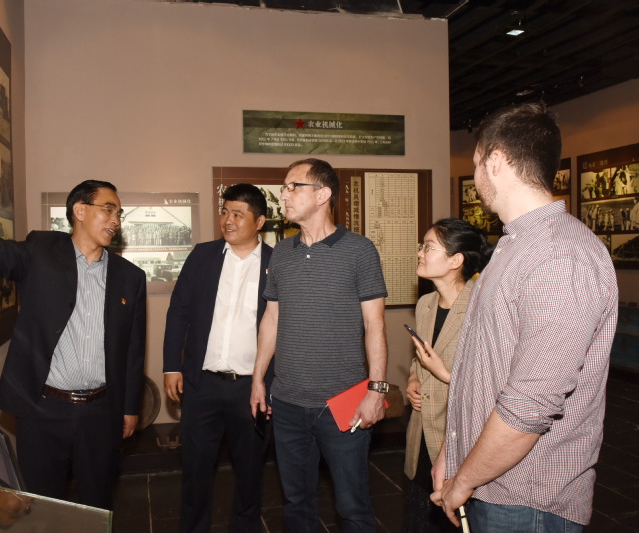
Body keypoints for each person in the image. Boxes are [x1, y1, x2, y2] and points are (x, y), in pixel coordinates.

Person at [0, 172, 147, 510]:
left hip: (101, 414)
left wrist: (130, 408)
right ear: (79, 210)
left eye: (119, 213)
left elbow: (133, 349)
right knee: (42, 506)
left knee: (98, 504)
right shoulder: (41, 252)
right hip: (44, 410)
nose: (115, 220)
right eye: (108, 209)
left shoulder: (130, 277)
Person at [431, 103, 618, 532]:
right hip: (490, 480)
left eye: (476, 163)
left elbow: (529, 404)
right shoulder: (517, 244)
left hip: (525, 500)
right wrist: (451, 455)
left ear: (495, 161)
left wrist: (464, 479)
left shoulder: (559, 256)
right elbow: (483, 369)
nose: (476, 176)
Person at [250, 158, 388, 532]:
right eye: (284, 187)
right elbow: (271, 319)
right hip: (288, 403)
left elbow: (375, 324)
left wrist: (376, 390)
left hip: (344, 402)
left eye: (293, 186)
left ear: (323, 194)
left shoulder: (359, 250)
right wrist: (258, 378)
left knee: (353, 507)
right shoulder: (281, 252)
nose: (284, 195)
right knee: (296, 504)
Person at [163, 183, 273, 533]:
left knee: (250, 471)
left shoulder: (277, 263)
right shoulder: (203, 255)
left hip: (253, 390)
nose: (228, 220)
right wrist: (172, 366)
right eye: (225, 212)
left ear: (259, 222)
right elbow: (178, 311)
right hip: (202, 385)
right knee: (195, 471)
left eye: (238, 214)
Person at [403, 218, 492, 533]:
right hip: (422, 435)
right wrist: (414, 380)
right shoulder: (425, 303)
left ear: (456, 261)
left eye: (428, 247)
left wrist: (443, 373)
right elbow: (421, 359)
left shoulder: (482, 307)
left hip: (459, 439)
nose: (420, 253)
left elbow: (491, 382)